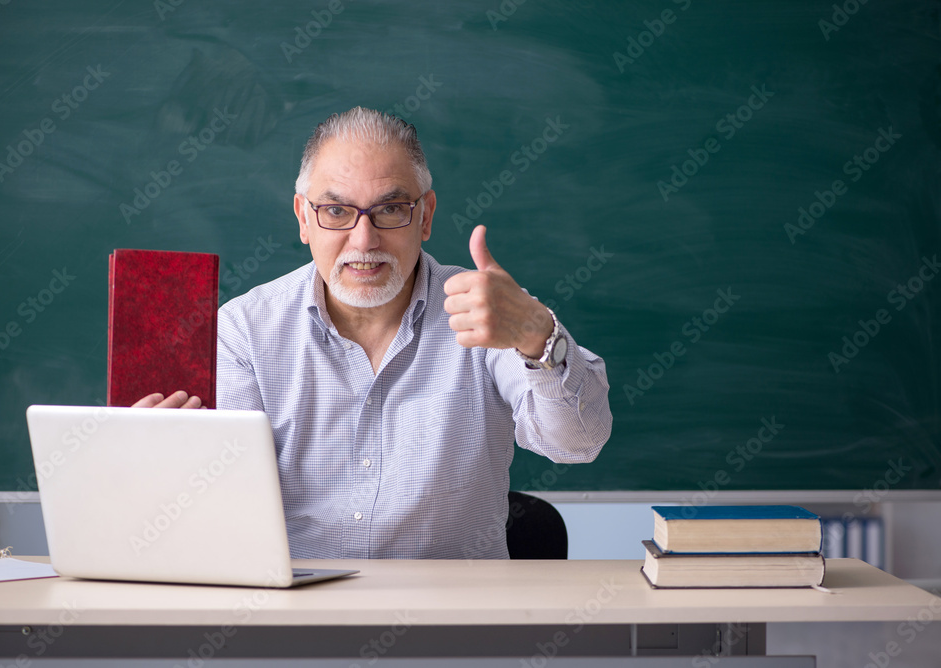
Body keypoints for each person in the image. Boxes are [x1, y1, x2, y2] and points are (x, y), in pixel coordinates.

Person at [136, 107, 612, 558]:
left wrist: (535, 334)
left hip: (455, 621)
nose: (364, 240)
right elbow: (220, 510)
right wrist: (153, 466)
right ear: (304, 217)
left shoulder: (490, 312)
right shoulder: (244, 331)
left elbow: (578, 442)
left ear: (424, 216)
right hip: (294, 621)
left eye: (390, 210)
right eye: (337, 212)